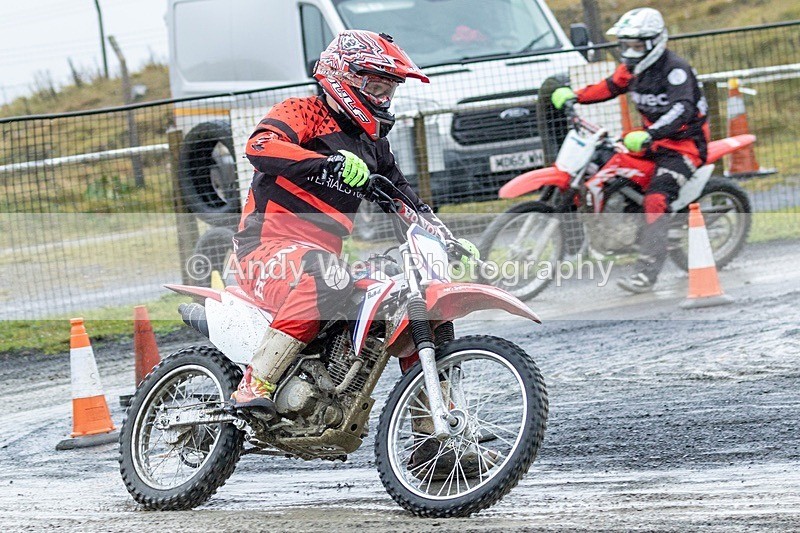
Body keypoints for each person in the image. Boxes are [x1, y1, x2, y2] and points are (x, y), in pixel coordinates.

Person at [231, 30, 471, 410]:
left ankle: (433, 434)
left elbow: (403, 197)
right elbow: (259, 145)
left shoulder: (373, 145)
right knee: (325, 273)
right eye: (376, 86)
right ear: (344, 75)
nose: (382, 98)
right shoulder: (303, 111)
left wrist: (443, 235)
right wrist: (327, 164)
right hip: (264, 251)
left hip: (323, 258)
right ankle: (255, 383)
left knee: (415, 300)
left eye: (389, 91)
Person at [551, 8, 710, 293]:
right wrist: (577, 95)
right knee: (608, 169)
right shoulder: (633, 68)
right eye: (625, 44)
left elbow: (682, 109)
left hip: (683, 146)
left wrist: (651, 133)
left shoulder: (675, 70)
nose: (629, 50)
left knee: (657, 198)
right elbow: (610, 86)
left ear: (653, 42)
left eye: (635, 44)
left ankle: (647, 272)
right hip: (648, 144)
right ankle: (628, 228)